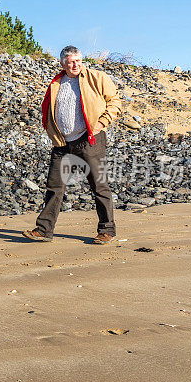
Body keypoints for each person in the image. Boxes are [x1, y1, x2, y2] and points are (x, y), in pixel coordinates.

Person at [23, 45, 122, 244]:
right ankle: (44, 230)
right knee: (54, 186)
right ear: (63, 63)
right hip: (62, 143)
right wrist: (49, 129)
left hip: (90, 140)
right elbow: (49, 109)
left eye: (78, 60)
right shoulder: (57, 83)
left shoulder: (97, 77)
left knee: (99, 186)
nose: (75, 65)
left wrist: (101, 123)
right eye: (71, 62)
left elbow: (115, 102)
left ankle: (107, 230)